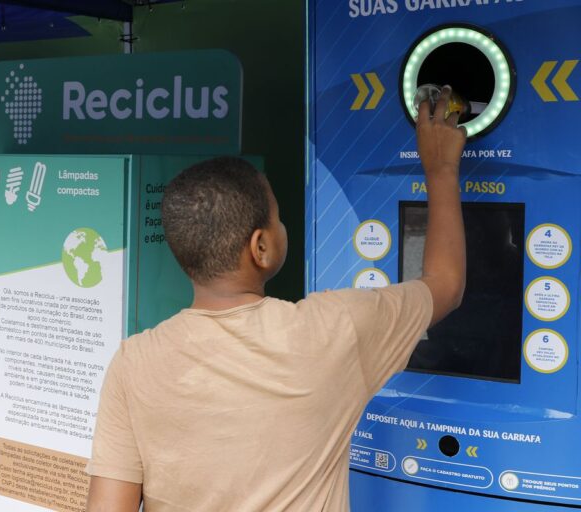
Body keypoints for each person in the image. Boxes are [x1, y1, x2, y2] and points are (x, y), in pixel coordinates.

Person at [85, 87, 467, 511]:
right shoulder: (336, 327)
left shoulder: (133, 362)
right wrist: (441, 169)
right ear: (260, 247)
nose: (283, 225)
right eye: (278, 217)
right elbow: (446, 284)